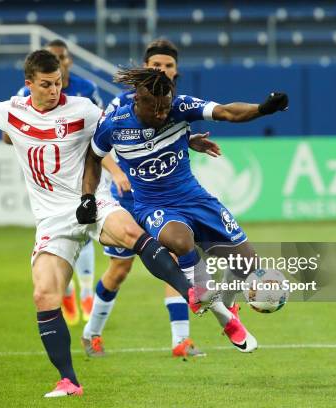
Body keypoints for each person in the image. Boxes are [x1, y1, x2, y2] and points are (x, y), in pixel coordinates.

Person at [0, 50, 213, 398]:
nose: (54, 90)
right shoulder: (12, 111)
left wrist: (185, 140)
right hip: (51, 219)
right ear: (29, 84)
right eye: (47, 85)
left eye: (58, 84)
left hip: (91, 201)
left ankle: (193, 293)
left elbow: (126, 127)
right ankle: (69, 381)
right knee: (44, 294)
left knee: (131, 233)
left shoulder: (82, 108)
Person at [80, 67, 289, 353]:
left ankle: (227, 308)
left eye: (166, 106)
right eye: (155, 108)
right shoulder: (114, 123)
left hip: (195, 199)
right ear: (137, 100)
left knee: (248, 266)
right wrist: (87, 197)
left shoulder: (180, 107)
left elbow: (228, 112)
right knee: (180, 241)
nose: (162, 114)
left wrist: (263, 109)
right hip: (153, 206)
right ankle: (205, 297)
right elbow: (92, 158)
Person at [81, 39, 218, 358]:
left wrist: (190, 141)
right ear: (145, 68)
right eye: (157, 65)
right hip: (129, 201)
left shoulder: (176, 106)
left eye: (168, 66)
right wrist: (117, 173)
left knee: (173, 259)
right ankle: (92, 333)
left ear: (176, 71)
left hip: (165, 201)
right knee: (120, 270)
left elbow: (170, 139)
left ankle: (180, 340)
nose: (163, 70)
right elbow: (99, 149)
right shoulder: (120, 106)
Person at [3, 39, 103, 326]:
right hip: (49, 178)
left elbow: (102, 130)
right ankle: (69, 292)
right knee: (60, 238)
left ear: (68, 61)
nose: (62, 61)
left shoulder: (85, 92)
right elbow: (7, 133)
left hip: (81, 170)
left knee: (83, 232)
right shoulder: (26, 94)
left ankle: (85, 292)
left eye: (63, 57)